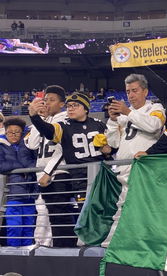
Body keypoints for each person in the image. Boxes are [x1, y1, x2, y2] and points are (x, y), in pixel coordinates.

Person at [103, 74, 165, 247]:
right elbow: (113, 142)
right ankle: (120, 244)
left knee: (141, 206)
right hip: (123, 167)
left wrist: (127, 112)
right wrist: (113, 121)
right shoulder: (124, 115)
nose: (130, 95)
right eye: (128, 91)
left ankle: (134, 243)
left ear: (145, 91)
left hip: (144, 167)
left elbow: (154, 126)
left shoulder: (155, 107)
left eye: (135, 91)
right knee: (124, 206)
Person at [29, 92, 111, 215]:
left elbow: (112, 149)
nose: (71, 108)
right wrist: (34, 116)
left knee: (106, 213)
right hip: (80, 179)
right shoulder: (63, 126)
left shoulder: (99, 124)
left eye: (75, 105)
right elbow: (47, 130)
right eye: (69, 106)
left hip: (101, 176)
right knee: (85, 214)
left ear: (86, 108)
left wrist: (108, 150)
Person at [25, 85, 76, 247]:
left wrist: (48, 172)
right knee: (43, 213)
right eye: (45, 100)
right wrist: (39, 118)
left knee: (59, 213)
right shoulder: (45, 120)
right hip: (42, 173)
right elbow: (32, 145)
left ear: (62, 103)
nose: (47, 103)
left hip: (58, 172)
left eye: (52, 100)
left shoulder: (66, 119)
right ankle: (44, 246)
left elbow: (63, 150)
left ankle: (64, 248)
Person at [0, 117, 37, 246]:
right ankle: (13, 254)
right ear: (5, 132)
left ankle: (26, 254)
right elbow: (1, 166)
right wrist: (21, 167)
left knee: (29, 227)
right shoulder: (1, 146)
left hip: (30, 194)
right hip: (12, 195)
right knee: (14, 227)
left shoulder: (28, 145)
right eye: (10, 132)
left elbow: (36, 163)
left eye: (17, 132)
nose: (14, 135)